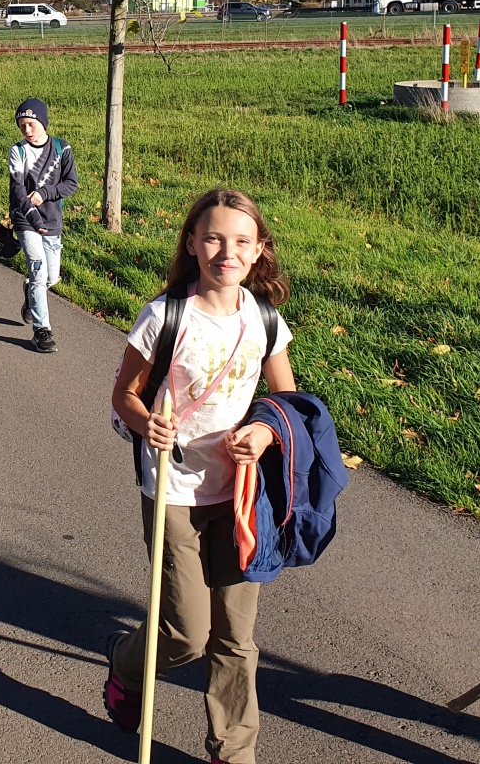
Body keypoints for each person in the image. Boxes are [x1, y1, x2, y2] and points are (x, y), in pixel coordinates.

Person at [103, 188, 296, 762]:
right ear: (192, 243)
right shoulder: (165, 316)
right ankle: (127, 664)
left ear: (258, 250)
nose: (226, 252)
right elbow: (124, 394)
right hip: (174, 489)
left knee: (235, 636)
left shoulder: (264, 320)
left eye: (241, 241)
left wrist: (264, 434)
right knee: (186, 633)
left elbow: (286, 403)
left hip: (239, 495)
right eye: (213, 238)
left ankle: (232, 752)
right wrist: (147, 424)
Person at [9, 97, 78, 353]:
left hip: (52, 220)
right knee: (38, 273)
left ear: (43, 122)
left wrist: (45, 193)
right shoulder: (18, 151)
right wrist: (33, 218)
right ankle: (42, 331)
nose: (27, 130)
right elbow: (18, 190)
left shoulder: (62, 148)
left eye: (31, 124)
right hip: (26, 219)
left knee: (51, 277)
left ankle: (30, 294)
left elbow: (71, 184)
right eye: (22, 126)